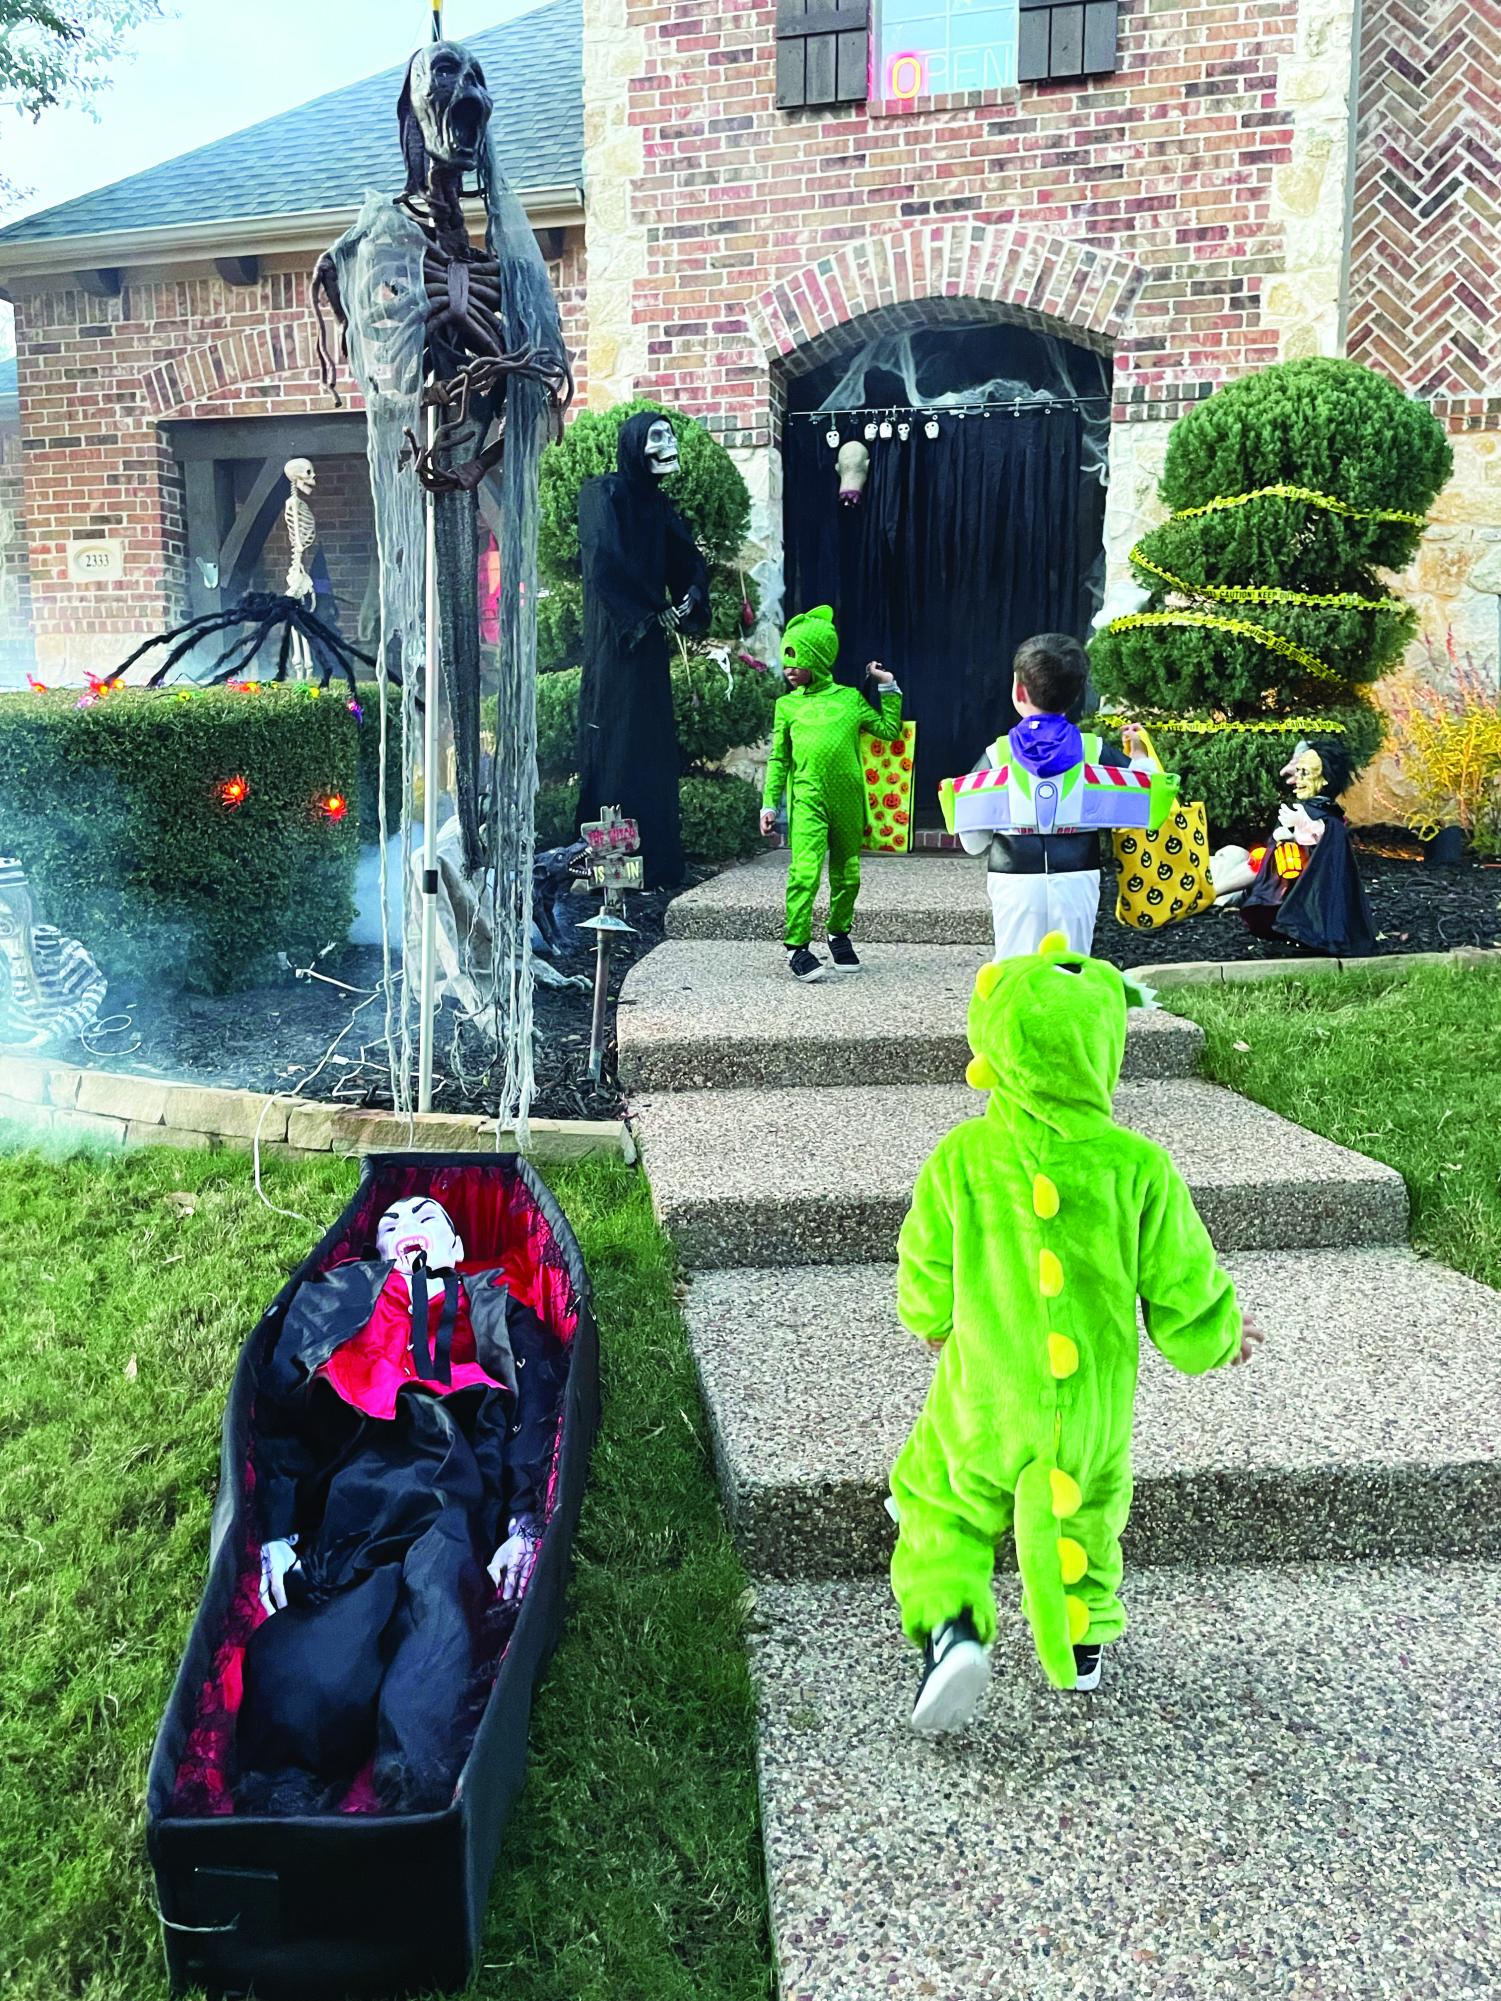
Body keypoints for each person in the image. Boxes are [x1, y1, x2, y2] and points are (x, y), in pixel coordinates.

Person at [888, 933, 1262, 1733]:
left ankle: (951, 1623)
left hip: (985, 1397)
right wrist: (1219, 1333)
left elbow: (922, 1255)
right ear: (1105, 1047)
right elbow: (1181, 1278)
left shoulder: (962, 1157)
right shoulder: (1139, 1166)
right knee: (1088, 1513)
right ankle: (1083, 1639)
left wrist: (929, 1319)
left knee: (936, 1500)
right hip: (1090, 1414)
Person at [237, 1195, 566, 1813]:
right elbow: (282, 1417)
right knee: (334, 1602)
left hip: (457, 1462)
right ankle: (286, 1778)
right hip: (359, 1469)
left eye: (426, 1219)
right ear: (378, 1250)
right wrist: (279, 1532)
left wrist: (525, 1520)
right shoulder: (340, 1300)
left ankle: (419, 1785)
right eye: (390, 1224)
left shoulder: (493, 1304)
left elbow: (540, 1405)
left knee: (441, 1592)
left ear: (457, 1249)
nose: (406, 1229)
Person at [950, 632, 1146, 961]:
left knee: (1015, 973)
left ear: (1018, 689)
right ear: (1077, 692)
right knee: (1070, 970)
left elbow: (972, 840)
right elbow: (1146, 793)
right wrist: (1139, 755)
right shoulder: (1093, 750)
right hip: (1077, 876)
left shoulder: (998, 755)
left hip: (1013, 877)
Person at [576, 410, 709, 889]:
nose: (666, 445)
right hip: (616, 644)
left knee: (651, 747)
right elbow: (604, 560)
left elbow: (687, 561)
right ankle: (612, 871)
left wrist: (690, 594)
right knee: (615, 745)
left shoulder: (659, 507)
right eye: (656, 437)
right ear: (634, 445)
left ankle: (654, 863)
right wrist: (647, 612)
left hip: (649, 648)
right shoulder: (602, 494)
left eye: (669, 436)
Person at [758, 605, 903, 981]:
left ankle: (839, 934)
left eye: (797, 659)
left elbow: (889, 729)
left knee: (848, 874)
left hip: (849, 802)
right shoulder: (786, 706)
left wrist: (886, 685)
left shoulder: (851, 699)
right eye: (785, 660)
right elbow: (779, 759)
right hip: (808, 800)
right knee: (804, 872)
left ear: (818, 657)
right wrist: (769, 803)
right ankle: (797, 947)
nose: (788, 669)